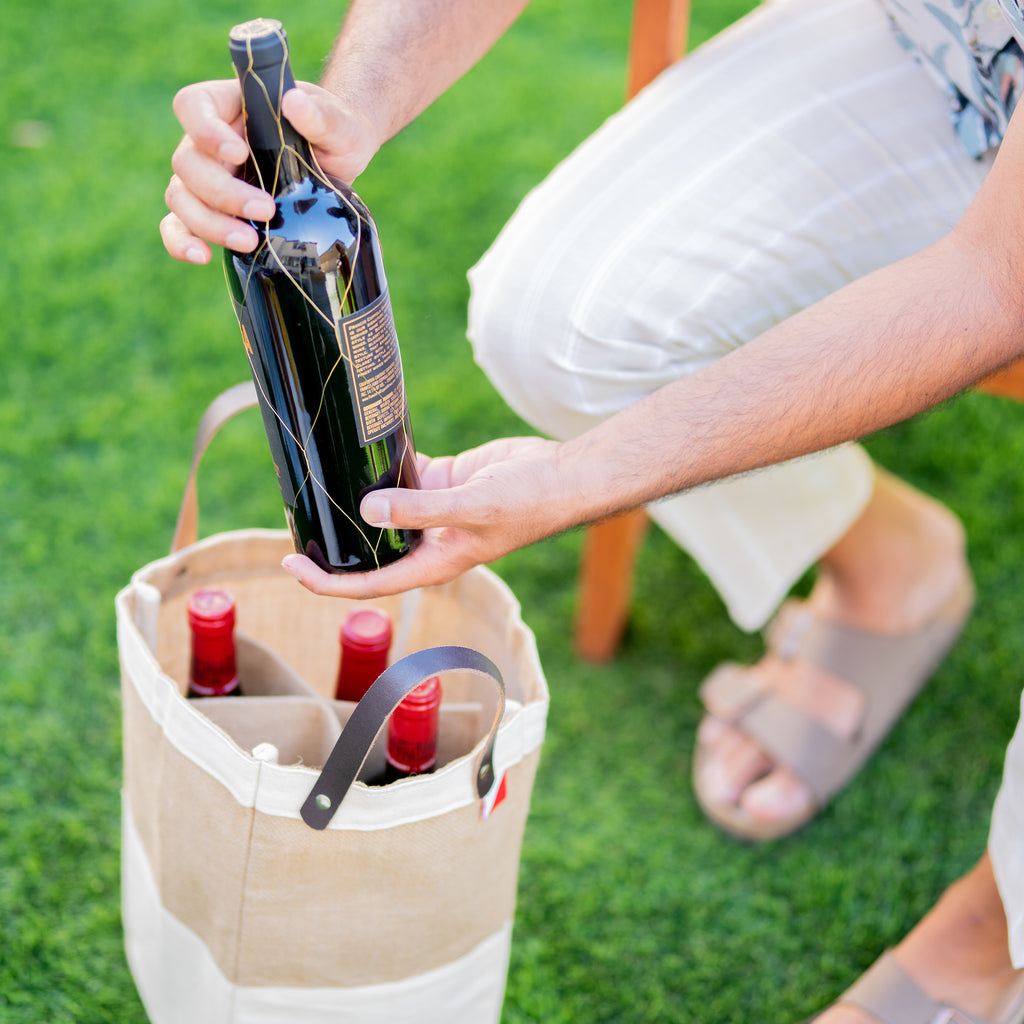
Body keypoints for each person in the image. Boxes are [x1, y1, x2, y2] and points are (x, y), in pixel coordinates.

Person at [161, 0, 1024, 1018]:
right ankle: (890, 563)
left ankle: (992, 926)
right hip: (934, 36)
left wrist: (578, 478)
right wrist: (330, 112)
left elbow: (994, 280)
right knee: (555, 324)